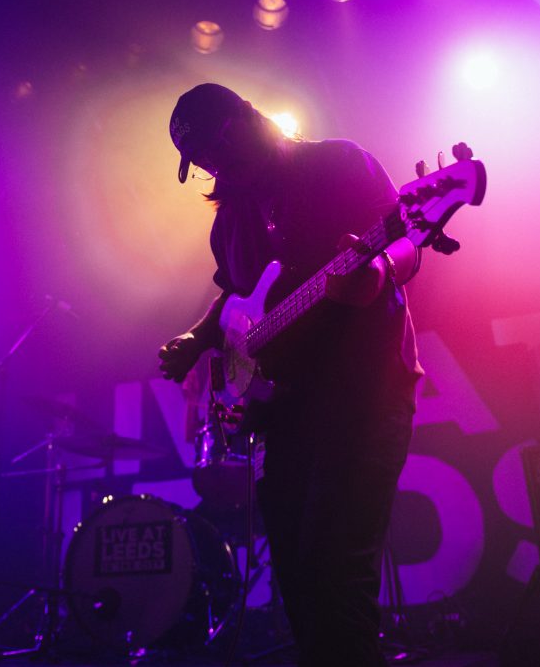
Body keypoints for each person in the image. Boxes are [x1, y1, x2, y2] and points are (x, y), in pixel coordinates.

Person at [158, 83, 422, 666]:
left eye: (213, 153)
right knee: (299, 580)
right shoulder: (231, 222)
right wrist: (196, 340)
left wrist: (378, 270)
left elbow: (406, 239)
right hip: (287, 413)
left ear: (242, 124)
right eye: (200, 163)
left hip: (364, 395)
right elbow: (234, 296)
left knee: (337, 574)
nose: (212, 169)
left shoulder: (337, 164)